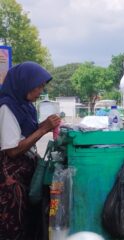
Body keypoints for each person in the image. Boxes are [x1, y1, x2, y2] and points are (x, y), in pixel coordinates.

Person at [0, 61, 61, 239]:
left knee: (29, 221)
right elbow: (12, 150)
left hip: (24, 172)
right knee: (14, 223)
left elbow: (27, 133)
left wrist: (47, 125)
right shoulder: (6, 107)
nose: (40, 91)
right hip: (9, 179)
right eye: (38, 87)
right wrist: (43, 129)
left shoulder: (25, 106)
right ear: (24, 84)